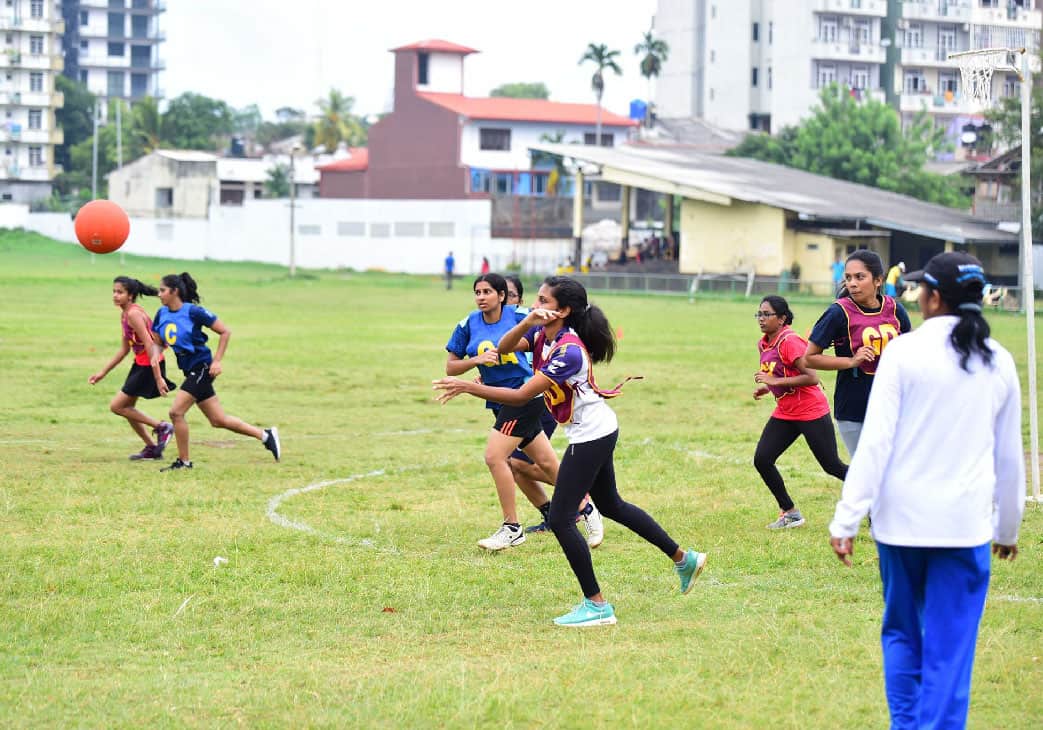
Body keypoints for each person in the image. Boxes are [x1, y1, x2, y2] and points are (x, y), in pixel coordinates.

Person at [434, 276, 707, 627]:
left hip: (592, 435)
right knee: (611, 505)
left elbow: (521, 396)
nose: (535, 305)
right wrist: (528, 322)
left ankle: (597, 606)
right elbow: (503, 349)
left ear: (562, 311)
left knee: (562, 519)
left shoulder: (568, 351)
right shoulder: (541, 334)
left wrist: (468, 386)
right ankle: (684, 559)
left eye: (543, 301)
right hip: (595, 429)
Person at [829, 252, 1024, 729]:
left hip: (900, 526)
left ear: (934, 297)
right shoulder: (998, 361)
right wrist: (1008, 528)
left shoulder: (905, 352)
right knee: (950, 649)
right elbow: (1009, 459)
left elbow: (874, 443)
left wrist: (847, 519)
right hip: (964, 527)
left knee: (902, 635)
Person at [444, 273, 561, 550]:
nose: (481, 297)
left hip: (525, 396)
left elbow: (552, 323)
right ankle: (583, 505)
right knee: (538, 462)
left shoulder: (523, 317)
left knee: (498, 458)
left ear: (505, 297)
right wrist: (478, 362)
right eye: (478, 292)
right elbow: (451, 366)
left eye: (488, 292)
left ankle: (512, 526)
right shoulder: (468, 323)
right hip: (500, 400)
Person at [504, 275, 603, 547]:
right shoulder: (493, 323)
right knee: (514, 464)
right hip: (525, 400)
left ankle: (582, 504)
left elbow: (524, 388)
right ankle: (557, 513)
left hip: (540, 403)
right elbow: (503, 351)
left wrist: (467, 387)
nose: (507, 301)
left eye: (511, 295)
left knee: (515, 462)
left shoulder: (555, 336)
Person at [150, 272, 281, 471]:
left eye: (162, 290)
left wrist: (217, 361)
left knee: (176, 412)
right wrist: (158, 373)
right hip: (189, 371)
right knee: (218, 420)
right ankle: (265, 435)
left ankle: (184, 462)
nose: (159, 294)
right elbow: (158, 345)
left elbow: (225, 331)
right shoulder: (161, 314)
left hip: (202, 368)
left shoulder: (194, 312)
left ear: (174, 292)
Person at [804, 250, 912, 456]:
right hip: (854, 406)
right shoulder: (838, 312)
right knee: (865, 472)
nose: (852, 283)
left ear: (878, 280)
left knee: (895, 470)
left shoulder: (896, 310)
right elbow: (809, 358)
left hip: (893, 405)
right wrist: (852, 361)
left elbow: (911, 354)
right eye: (848, 278)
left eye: (860, 277)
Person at [753, 296, 847, 529]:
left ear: (782, 318)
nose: (762, 319)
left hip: (810, 411)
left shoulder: (790, 341)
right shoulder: (764, 343)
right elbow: (781, 372)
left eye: (767, 314)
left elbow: (811, 377)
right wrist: (769, 387)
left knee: (831, 465)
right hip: (786, 411)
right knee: (762, 459)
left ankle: (876, 492)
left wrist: (775, 380)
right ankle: (790, 512)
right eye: (759, 314)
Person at [88, 276, 177, 460]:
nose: (115, 295)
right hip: (141, 363)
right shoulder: (125, 314)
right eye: (114, 291)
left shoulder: (133, 314)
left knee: (117, 406)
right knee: (128, 409)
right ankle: (152, 448)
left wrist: (159, 378)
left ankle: (162, 427)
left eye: (120, 292)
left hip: (149, 363)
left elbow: (150, 344)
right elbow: (124, 350)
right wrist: (102, 373)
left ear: (130, 296)